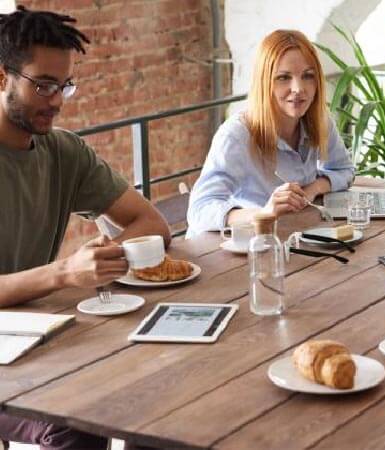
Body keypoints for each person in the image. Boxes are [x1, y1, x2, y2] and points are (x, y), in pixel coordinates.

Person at [0, 6, 169, 449]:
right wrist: (64, 273)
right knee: (77, 423)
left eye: (64, 85)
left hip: (36, 338)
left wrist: (107, 255)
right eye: (43, 85)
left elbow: (151, 222)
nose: (56, 100)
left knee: (158, 390)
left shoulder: (62, 151)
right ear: (2, 78)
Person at [186, 29, 354, 238]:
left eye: (307, 76)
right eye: (284, 77)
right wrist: (265, 212)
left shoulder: (319, 120)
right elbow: (199, 210)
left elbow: (344, 170)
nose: (298, 88)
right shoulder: (237, 135)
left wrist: (313, 188)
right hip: (243, 247)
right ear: (265, 82)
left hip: (294, 238)